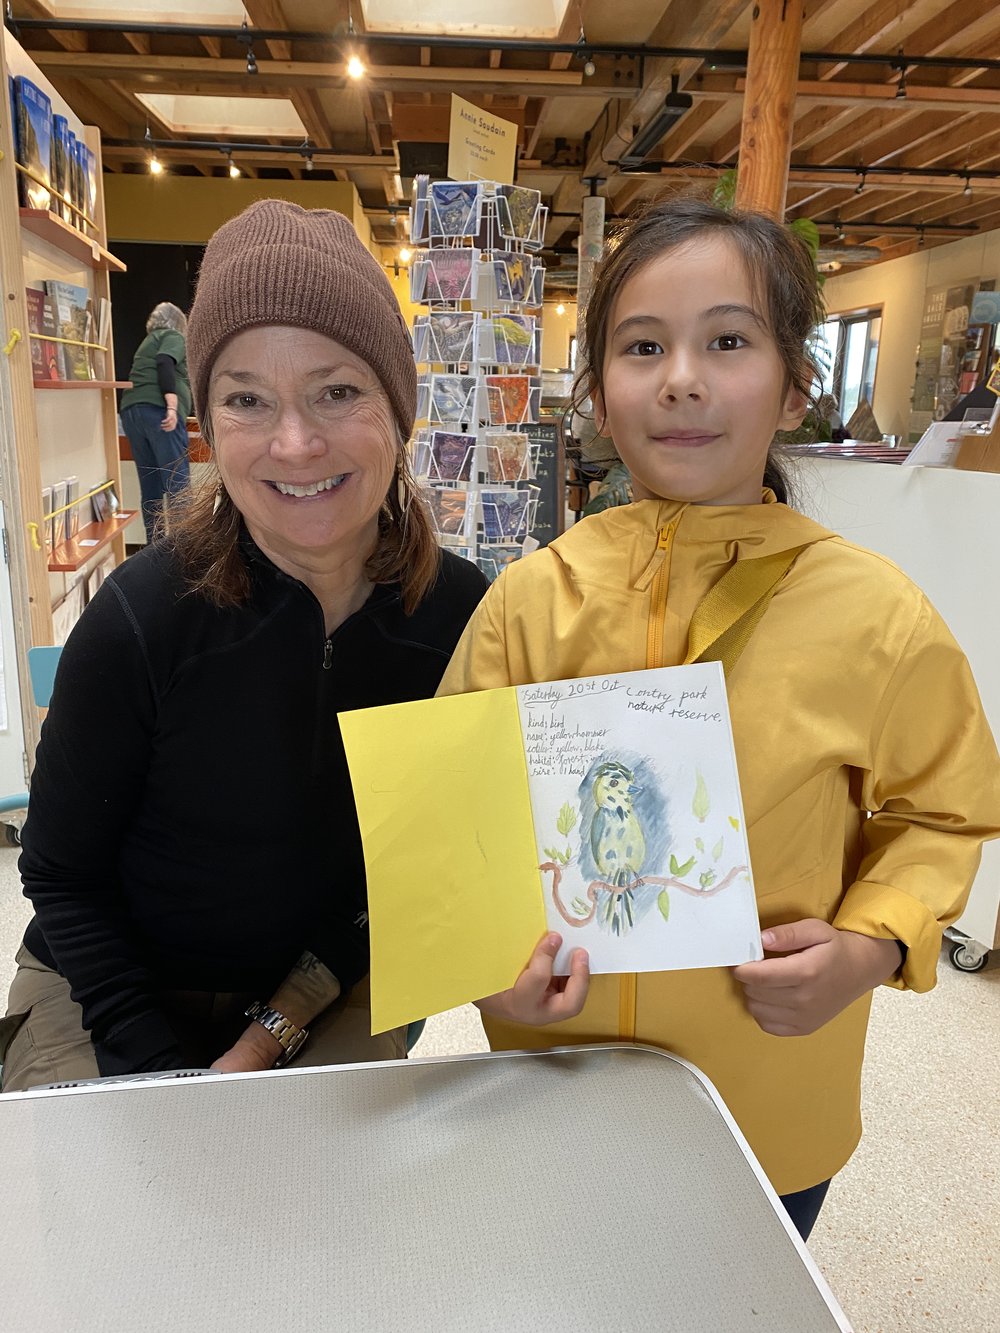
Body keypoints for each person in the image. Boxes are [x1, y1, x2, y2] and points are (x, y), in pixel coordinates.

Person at [437, 197, 1000, 1240]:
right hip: (553, 1081)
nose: (681, 376)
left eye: (727, 340)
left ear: (793, 385)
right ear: (600, 395)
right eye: (641, 345)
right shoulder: (529, 599)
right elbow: (453, 821)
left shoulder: (876, 616)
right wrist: (486, 970)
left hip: (768, 1103)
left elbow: (945, 813)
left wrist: (872, 945)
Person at [0, 199, 585, 1093]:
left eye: (338, 391)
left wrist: (267, 1038)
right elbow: (61, 873)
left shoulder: (468, 618)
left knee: (331, 1216)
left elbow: (405, 875)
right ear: (207, 421)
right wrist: (163, 1077)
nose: (296, 442)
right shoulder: (144, 613)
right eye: (247, 400)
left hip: (327, 983)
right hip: (105, 985)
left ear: (400, 407)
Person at [119, 301, 193, 542]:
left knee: (150, 486)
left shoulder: (146, 342)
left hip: (132, 412)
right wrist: (171, 405)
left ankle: (156, 549)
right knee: (177, 484)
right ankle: (185, 550)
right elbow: (164, 363)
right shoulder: (173, 336)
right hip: (159, 411)